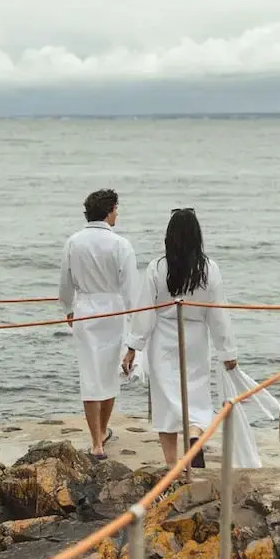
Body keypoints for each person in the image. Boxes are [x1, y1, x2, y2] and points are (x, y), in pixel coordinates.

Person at [122, 207, 238, 468]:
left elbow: (144, 311)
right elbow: (219, 313)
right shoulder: (209, 269)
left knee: (166, 400)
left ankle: (171, 464)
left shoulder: (157, 267)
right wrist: (227, 351)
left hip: (163, 338)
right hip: (196, 337)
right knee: (195, 393)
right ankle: (194, 436)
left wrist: (133, 347)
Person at [59, 189, 139, 460]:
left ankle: (96, 441)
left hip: (85, 309)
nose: (117, 213)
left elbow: (65, 282)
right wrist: (135, 319)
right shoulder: (121, 244)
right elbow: (131, 287)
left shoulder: (74, 242)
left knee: (90, 375)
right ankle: (102, 430)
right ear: (108, 211)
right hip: (114, 310)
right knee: (109, 374)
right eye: (116, 209)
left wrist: (68, 309)